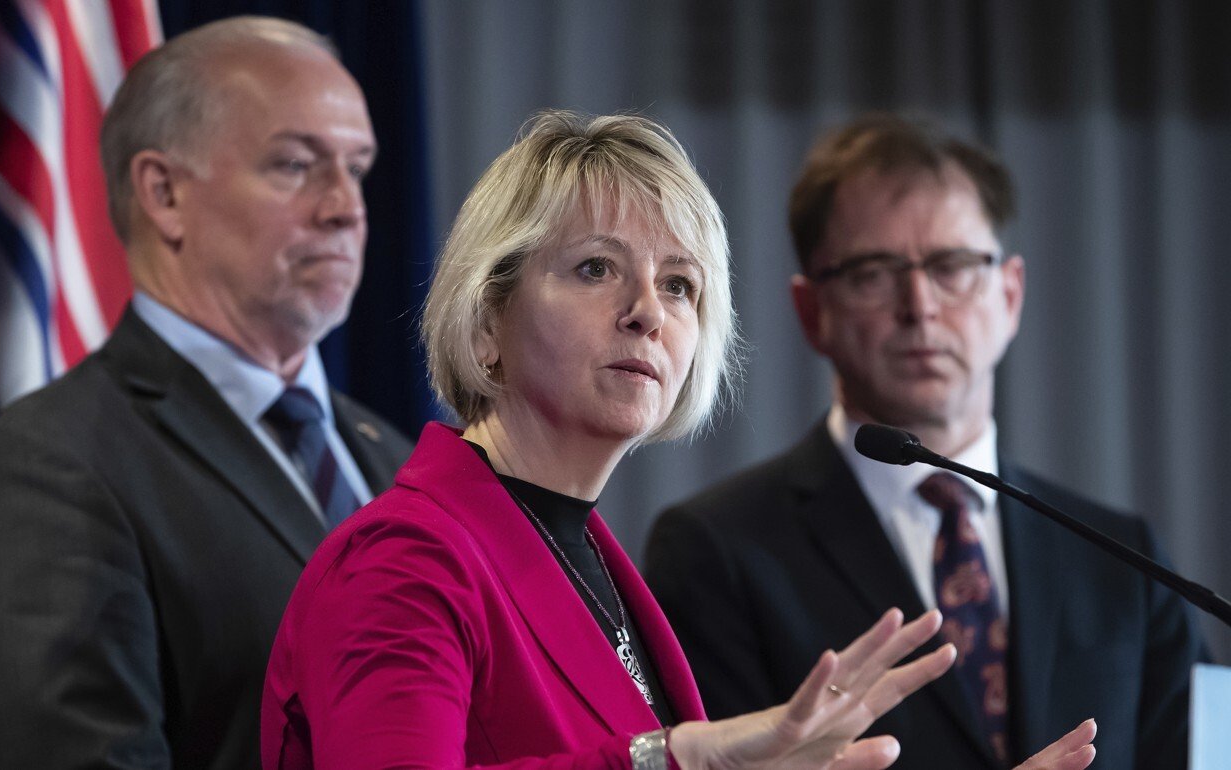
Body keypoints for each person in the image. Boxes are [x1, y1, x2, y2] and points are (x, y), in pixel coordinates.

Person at [261, 110, 1098, 770]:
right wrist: (675, 759)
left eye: (679, 284)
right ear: (488, 322)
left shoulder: (589, 562)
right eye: (596, 268)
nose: (647, 312)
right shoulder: (402, 558)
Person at [645, 113, 1205, 769]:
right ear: (810, 311)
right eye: (873, 272)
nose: (920, 306)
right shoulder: (717, 552)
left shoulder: (1124, 561)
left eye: (953, 265)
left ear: (1011, 294)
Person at [0, 17, 413, 770]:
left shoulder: (396, 460)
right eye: (296, 164)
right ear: (163, 192)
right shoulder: (44, 472)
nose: (345, 207)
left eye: (356, 168)